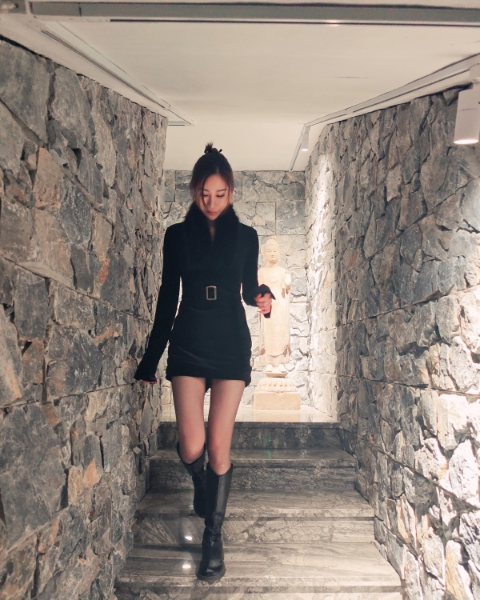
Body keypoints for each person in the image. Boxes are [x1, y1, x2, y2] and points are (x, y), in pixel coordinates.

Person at [133, 143, 274, 582]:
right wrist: (150, 358)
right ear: (194, 192)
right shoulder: (176, 235)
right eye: (204, 195)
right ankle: (202, 484)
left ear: (231, 192)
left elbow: (248, 287)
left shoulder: (246, 236)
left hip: (230, 342)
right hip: (189, 339)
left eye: (220, 195)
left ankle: (213, 536)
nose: (212, 203)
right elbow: (166, 298)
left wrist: (263, 297)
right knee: (192, 447)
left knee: (218, 446)